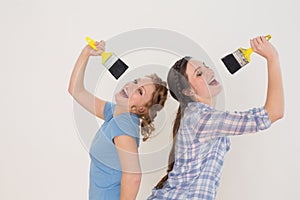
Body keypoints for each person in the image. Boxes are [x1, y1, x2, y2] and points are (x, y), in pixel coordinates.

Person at [148, 36, 284, 199]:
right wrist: (272, 58)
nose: (208, 72)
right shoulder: (200, 117)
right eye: (199, 74)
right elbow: (272, 113)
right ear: (188, 92)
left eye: (205, 67)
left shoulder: (197, 115)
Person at [68, 40, 168, 200]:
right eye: (135, 82)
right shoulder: (115, 113)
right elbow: (76, 90)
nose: (132, 86)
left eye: (140, 92)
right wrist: (86, 53)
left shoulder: (125, 123)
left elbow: (134, 176)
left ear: (142, 109)